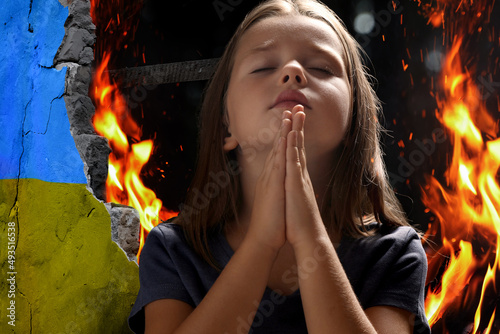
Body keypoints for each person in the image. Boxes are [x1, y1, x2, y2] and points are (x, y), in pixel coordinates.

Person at [128, 0, 431, 333]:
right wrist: (262, 242)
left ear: (353, 123)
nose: (292, 72)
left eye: (321, 68)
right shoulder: (173, 250)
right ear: (225, 127)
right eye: (262, 67)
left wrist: (310, 239)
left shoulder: (394, 252)